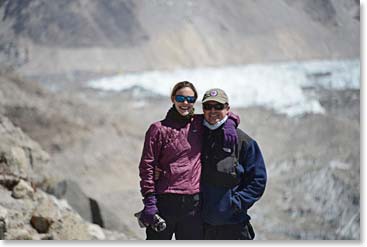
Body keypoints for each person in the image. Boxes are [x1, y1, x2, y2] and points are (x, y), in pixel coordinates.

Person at [138, 81, 239, 240]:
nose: (185, 103)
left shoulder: (200, 124)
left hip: (193, 205)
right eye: (181, 98)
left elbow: (222, 115)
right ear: (173, 99)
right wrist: (150, 201)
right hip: (165, 201)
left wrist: (230, 124)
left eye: (190, 99)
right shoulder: (157, 129)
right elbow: (147, 168)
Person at [200, 88, 267, 240]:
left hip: (234, 227)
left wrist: (235, 204)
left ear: (227, 109)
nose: (213, 111)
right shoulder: (197, 135)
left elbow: (258, 180)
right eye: (208, 106)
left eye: (218, 107)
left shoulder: (243, 141)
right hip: (203, 227)